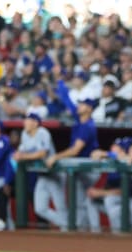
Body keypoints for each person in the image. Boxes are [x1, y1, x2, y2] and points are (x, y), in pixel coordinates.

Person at [49, 80, 99, 229]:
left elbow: (75, 150)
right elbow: (68, 103)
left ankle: (89, 230)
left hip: (89, 168)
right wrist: (60, 82)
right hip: (81, 167)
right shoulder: (80, 119)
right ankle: (81, 228)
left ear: (89, 108)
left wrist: (56, 157)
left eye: (83, 104)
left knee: (85, 201)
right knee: (80, 200)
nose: (79, 106)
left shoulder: (88, 126)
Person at [12, 113, 67, 230]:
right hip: (42, 174)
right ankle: (67, 224)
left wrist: (23, 156)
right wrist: (18, 155)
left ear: (35, 123)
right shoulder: (24, 134)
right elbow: (20, 152)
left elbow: (42, 153)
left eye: (28, 120)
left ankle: (68, 229)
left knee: (60, 207)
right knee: (40, 208)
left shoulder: (43, 132)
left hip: (55, 173)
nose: (25, 122)